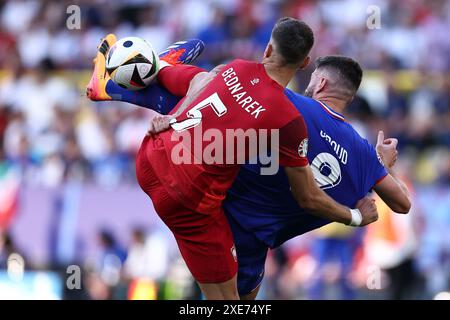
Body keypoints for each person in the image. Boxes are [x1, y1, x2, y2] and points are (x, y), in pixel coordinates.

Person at [88, 17, 379, 300]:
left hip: (151, 156)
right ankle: (144, 72)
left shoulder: (235, 68)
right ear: (304, 64)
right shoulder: (290, 119)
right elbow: (309, 198)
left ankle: (146, 72)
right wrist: (355, 216)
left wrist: (175, 117)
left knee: (204, 80)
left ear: (267, 50)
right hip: (192, 200)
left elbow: (202, 84)